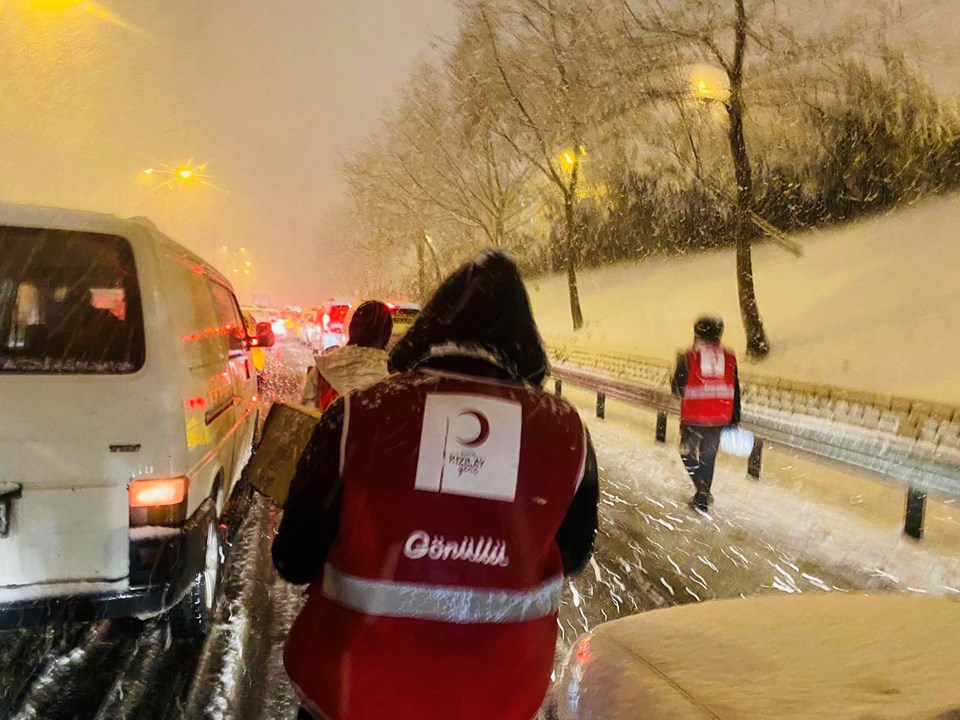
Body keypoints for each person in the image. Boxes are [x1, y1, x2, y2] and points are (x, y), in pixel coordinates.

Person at [273, 250, 599, 720]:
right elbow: (572, 556)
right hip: (499, 699)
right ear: (526, 345)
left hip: (351, 693)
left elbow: (294, 559)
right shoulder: (568, 433)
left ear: (428, 332)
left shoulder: (359, 414)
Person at [671, 314, 741, 512]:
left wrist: (676, 370)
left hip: (694, 416)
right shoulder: (729, 356)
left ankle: (701, 489)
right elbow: (736, 388)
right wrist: (734, 417)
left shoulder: (688, 356)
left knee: (687, 453)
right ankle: (702, 496)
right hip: (719, 416)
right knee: (708, 458)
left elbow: (677, 389)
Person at [300, 300, 393, 411]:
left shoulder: (322, 369)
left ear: (351, 329)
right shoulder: (389, 379)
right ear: (386, 336)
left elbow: (304, 416)